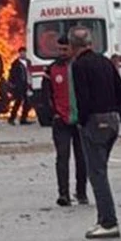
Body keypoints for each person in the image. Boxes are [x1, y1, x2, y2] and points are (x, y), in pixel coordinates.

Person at [68, 25, 121, 239]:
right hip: (112, 120)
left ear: (73, 46)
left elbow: (82, 97)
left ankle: (108, 222)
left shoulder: (79, 65)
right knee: (100, 169)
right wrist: (114, 109)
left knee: (97, 173)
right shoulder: (105, 61)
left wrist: (82, 121)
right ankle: (105, 219)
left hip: (95, 121)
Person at [39, 36, 88, 207]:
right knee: (62, 157)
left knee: (82, 158)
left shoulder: (79, 67)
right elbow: (46, 94)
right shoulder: (51, 69)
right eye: (59, 50)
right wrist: (52, 114)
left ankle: (81, 192)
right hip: (61, 120)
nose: (62, 53)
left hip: (80, 120)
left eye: (65, 50)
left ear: (71, 49)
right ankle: (64, 194)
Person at [8, 47, 31, 125]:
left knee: (27, 102)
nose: (23, 54)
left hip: (27, 85)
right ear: (19, 53)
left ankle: (23, 119)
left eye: (24, 52)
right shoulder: (16, 63)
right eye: (21, 52)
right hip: (19, 86)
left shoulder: (28, 62)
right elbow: (11, 74)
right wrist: (12, 84)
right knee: (18, 102)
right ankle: (11, 119)